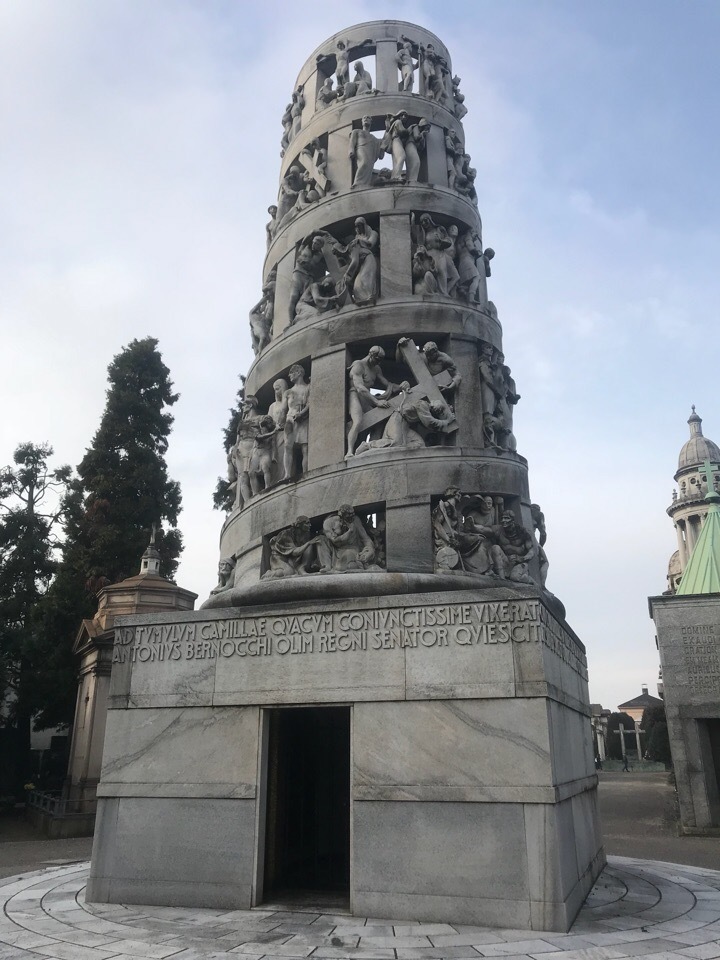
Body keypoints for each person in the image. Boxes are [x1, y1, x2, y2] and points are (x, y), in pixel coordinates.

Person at [346, 346, 398, 456]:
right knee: (357, 422)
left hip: (367, 398)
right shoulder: (358, 366)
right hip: (355, 394)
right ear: (371, 355)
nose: (378, 362)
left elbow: (387, 384)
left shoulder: (376, 368)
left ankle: (371, 449)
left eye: (380, 360)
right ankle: (349, 452)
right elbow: (360, 388)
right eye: (377, 359)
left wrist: (401, 387)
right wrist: (377, 402)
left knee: (378, 421)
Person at [331, 217, 379, 306]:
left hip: (370, 259)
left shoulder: (372, 234)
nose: (358, 228)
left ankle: (369, 298)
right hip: (361, 264)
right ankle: (362, 300)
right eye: (356, 226)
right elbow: (354, 260)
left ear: (364, 225)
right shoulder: (356, 240)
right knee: (357, 284)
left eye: (359, 225)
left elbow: (371, 244)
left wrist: (348, 274)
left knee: (365, 279)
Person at [288, 235, 329, 324]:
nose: (314, 245)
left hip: (308, 277)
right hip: (298, 273)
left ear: (320, 246)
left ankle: (301, 317)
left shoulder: (319, 255)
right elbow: (309, 235)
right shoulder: (305, 247)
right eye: (314, 242)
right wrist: (318, 232)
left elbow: (323, 266)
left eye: (317, 244)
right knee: (293, 296)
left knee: (304, 298)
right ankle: (290, 320)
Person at [282, 364, 310, 481]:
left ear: (299, 373)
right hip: (290, 419)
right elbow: (284, 409)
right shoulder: (288, 392)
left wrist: (302, 413)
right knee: (288, 446)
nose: (289, 375)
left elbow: (310, 403)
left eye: (291, 372)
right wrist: (279, 422)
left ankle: (306, 472)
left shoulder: (308, 387)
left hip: (303, 419)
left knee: (305, 447)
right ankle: (287, 474)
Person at [349, 116, 385, 187]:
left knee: (368, 166)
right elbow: (352, 141)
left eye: (368, 118)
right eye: (364, 118)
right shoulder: (356, 131)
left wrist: (387, 128)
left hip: (370, 152)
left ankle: (365, 184)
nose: (366, 119)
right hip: (361, 149)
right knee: (364, 163)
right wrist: (351, 150)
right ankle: (357, 183)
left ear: (371, 122)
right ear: (362, 122)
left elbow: (381, 143)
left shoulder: (373, 138)